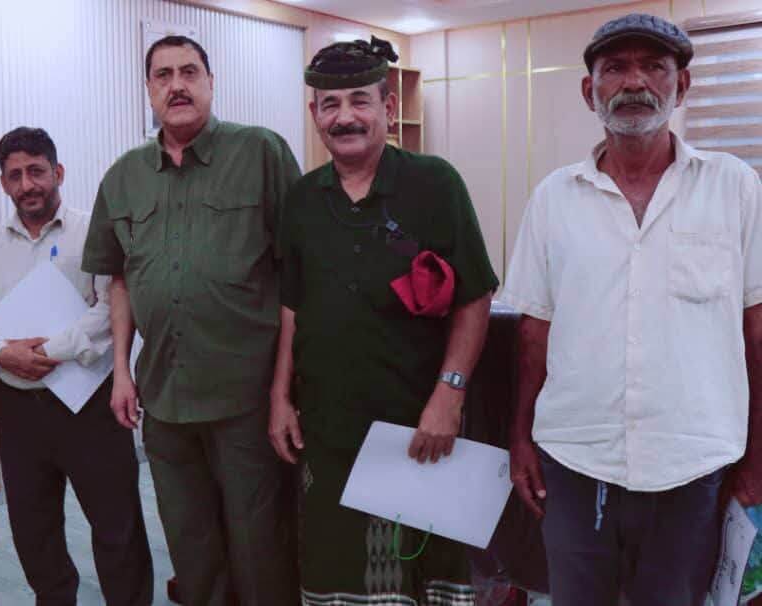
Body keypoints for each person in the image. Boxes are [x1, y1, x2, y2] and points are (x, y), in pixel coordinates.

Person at [502, 13, 762, 605]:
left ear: (682, 85)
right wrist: (520, 439)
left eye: (654, 67)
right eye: (615, 68)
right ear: (589, 90)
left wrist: (757, 458)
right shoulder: (554, 198)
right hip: (575, 460)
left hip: (694, 465)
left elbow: (756, 331)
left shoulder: (734, 187)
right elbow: (534, 334)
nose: (634, 82)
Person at [269, 37, 499, 605]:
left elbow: (475, 296)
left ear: (388, 107)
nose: (344, 116)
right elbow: (292, 306)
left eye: (359, 101)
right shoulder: (302, 199)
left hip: (417, 424)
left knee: (420, 574)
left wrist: (449, 395)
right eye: (330, 104)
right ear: (314, 114)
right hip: (328, 427)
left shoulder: (435, 184)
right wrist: (279, 396)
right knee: (336, 574)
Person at [82, 35, 302, 605]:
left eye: (189, 72)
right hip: (165, 400)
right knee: (190, 545)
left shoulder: (261, 153)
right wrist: (122, 371)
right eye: (163, 75)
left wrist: (284, 390)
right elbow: (120, 277)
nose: (176, 85)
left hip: (246, 398)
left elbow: (298, 277)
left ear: (210, 81)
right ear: (148, 89)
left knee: (260, 545)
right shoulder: (124, 175)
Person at [0, 126, 153, 605]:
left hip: (89, 404)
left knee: (117, 528)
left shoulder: (93, 231)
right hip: (19, 409)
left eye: (37, 171)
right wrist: (1, 352)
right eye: (15, 176)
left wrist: (50, 349)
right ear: (3, 183)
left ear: (58, 172)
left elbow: (110, 305)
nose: (27, 184)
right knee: (34, 532)